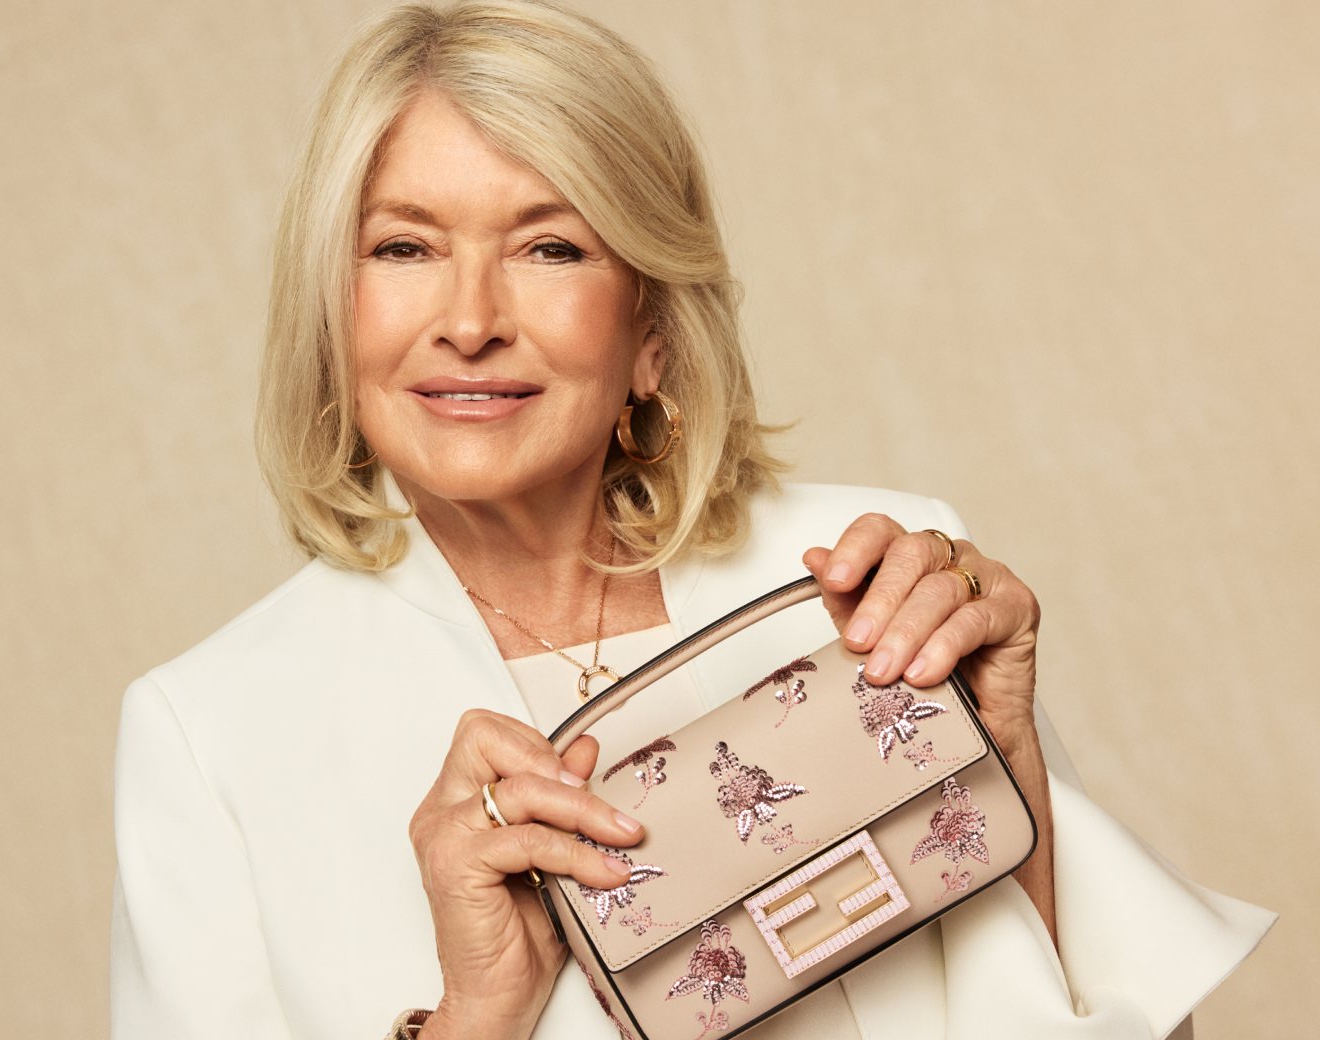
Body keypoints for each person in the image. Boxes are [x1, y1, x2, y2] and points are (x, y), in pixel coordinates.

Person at [109, 2, 1273, 1038]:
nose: (469, 319)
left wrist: (1007, 762)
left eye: (549, 245)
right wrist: (476, 1019)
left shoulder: (879, 586)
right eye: (403, 247)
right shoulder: (209, 735)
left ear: (653, 328)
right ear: (333, 310)